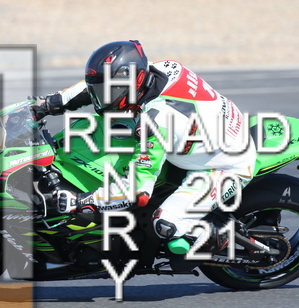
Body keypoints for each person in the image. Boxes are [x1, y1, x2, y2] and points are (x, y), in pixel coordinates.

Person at [30, 40, 256, 256]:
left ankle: (219, 236)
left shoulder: (157, 122)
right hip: (211, 133)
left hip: (226, 167)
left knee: (166, 225)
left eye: (108, 92)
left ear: (134, 82)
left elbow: (137, 192)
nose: (101, 99)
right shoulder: (160, 69)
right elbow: (95, 85)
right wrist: (48, 104)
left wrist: (81, 202)